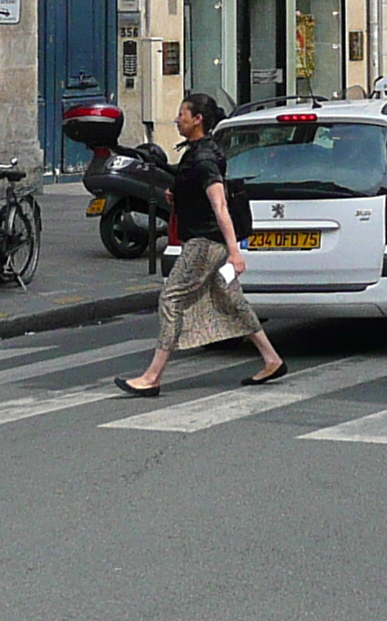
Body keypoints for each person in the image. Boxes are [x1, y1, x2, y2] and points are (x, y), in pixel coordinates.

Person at [116, 92, 288, 396]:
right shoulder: (198, 151)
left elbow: (220, 206)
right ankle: (272, 359)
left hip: (205, 243)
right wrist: (179, 195)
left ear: (198, 120)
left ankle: (152, 376)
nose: (177, 119)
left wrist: (235, 252)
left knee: (171, 299)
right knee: (229, 297)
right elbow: (199, 193)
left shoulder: (205, 158)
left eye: (183, 113)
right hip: (209, 240)